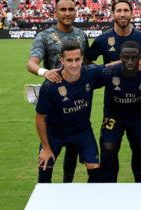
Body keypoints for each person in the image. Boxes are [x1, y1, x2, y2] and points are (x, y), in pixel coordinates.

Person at [83, 0, 141, 182]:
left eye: (126, 10)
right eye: (119, 11)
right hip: (113, 110)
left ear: (132, 13)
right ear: (113, 14)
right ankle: (111, 195)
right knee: (109, 154)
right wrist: (108, 70)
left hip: (139, 110)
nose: (123, 14)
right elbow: (86, 64)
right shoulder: (102, 40)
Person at [27, 0, 89, 183]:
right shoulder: (44, 36)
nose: (68, 13)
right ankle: (43, 192)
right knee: (47, 155)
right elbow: (31, 63)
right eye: (63, 9)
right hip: (54, 103)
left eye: (71, 9)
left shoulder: (81, 35)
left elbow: (85, 64)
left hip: (77, 102)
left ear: (76, 11)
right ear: (56, 12)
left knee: (72, 152)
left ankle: (67, 188)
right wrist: (45, 72)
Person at [36, 40, 102, 183]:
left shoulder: (90, 73)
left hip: (82, 131)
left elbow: (110, 68)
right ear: (62, 61)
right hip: (54, 133)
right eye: (69, 60)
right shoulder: (50, 85)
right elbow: (40, 118)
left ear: (82, 59)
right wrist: (46, 148)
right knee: (44, 168)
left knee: (95, 170)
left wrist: (137, 61)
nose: (74, 64)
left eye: (77, 59)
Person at [96, 41, 141, 182]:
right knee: (107, 152)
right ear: (120, 57)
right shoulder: (108, 72)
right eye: (126, 58)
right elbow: (83, 77)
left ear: (140, 58)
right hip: (114, 116)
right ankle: (108, 190)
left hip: (140, 117)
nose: (130, 62)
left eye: (134, 58)